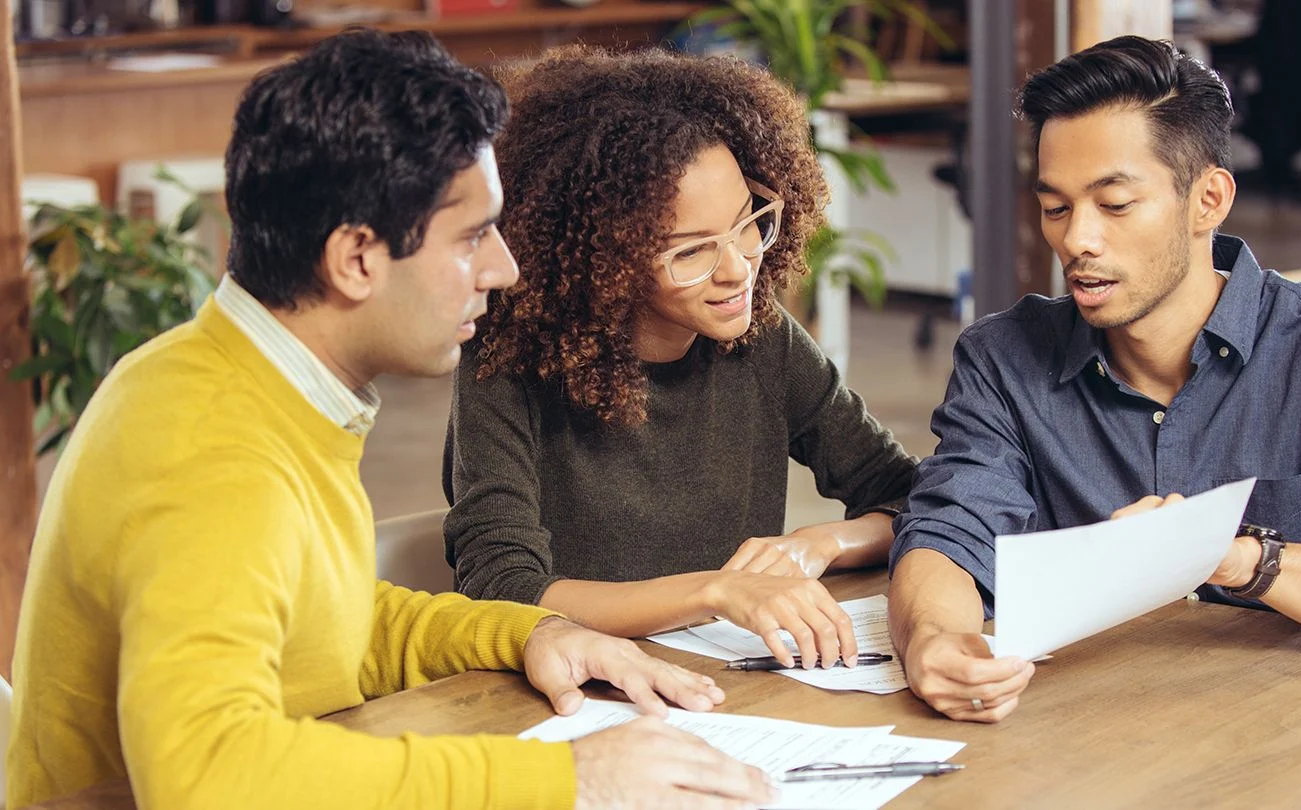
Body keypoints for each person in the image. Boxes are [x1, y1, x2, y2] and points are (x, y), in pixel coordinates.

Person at [7, 30, 777, 810]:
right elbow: (204, 778)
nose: (504, 268)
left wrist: (532, 633)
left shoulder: (250, 382)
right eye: (472, 237)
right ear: (356, 259)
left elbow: (322, 620)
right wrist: (568, 779)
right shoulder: (211, 448)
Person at [887, 35, 1301, 723]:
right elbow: (948, 533)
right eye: (1056, 208)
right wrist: (934, 642)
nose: (1077, 240)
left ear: (1208, 199)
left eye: (1115, 204)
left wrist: (1226, 557)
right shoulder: (1003, 358)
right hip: (1091, 739)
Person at [443, 46, 916, 670]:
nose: (738, 269)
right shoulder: (509, 358)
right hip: (579, 688)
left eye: (747, 223)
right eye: (690, 251)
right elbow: (502, 589)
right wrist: (716, 592)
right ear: (605, 262)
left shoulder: (761, 338)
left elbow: (911, 496)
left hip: (725, 680)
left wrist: (820, 543)